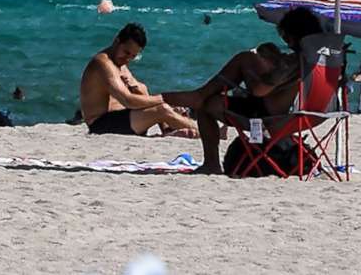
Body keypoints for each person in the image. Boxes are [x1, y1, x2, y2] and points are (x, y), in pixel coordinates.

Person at [176, 9, 332, 174]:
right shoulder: (327, 60)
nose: (285, 41)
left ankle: (211, 163)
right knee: (242, 68)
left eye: (285, 36)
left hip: (275, 119)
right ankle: (202, 93)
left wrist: (255, 73)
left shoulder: (294, 61)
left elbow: (259, 91)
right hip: (314, 116)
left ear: (291, 35)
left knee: (207, 103)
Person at [80, 24, 195, 136]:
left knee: (159, 104)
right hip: (100, 124)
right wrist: (164, 99)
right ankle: (204, 131)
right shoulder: (103, 64)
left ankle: (166, 129)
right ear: (117, 41)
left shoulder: (120, 63)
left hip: (123, 119)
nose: (128, 59)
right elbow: (127, 100)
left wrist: (137, 88)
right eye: (126, 52)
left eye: (133, 56)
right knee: (162, 109)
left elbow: (142, 92)